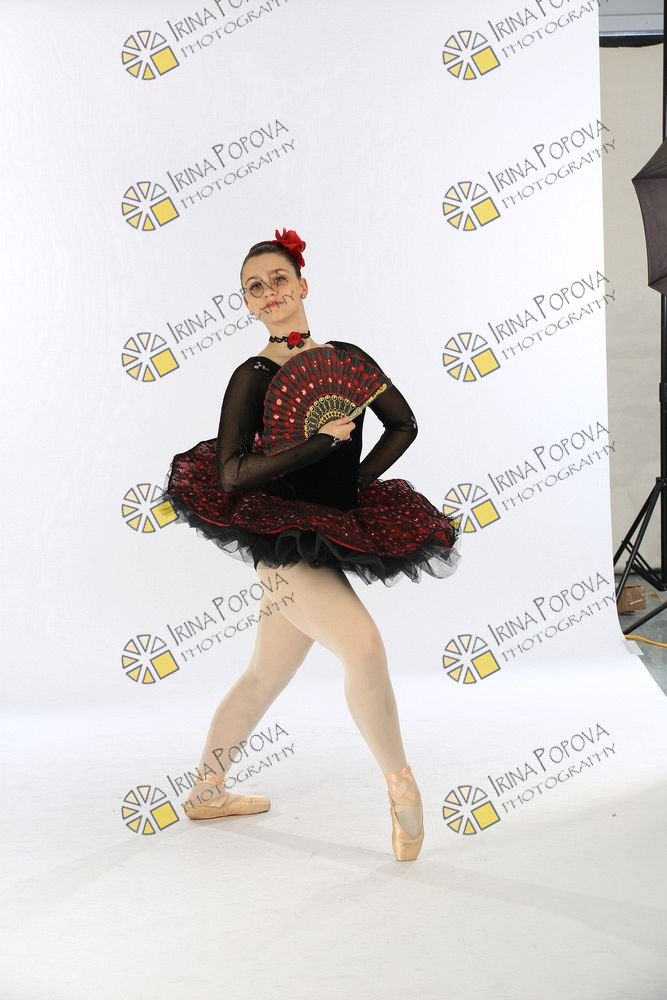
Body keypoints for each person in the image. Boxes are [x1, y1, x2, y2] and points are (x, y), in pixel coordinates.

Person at [159, 228, 462, 861]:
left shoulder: (346, 359)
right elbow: (232, 475)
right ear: (247, 304)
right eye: (254, 287)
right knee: (364, 647)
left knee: (264, 675)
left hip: (337, 524)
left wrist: (356, 480)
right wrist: (319, 444)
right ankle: (402, 788)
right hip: (283, 536)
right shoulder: (253, 375)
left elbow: (403, 424)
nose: (268, 292)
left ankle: (206, 791)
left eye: (278, 279)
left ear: (302, 284)